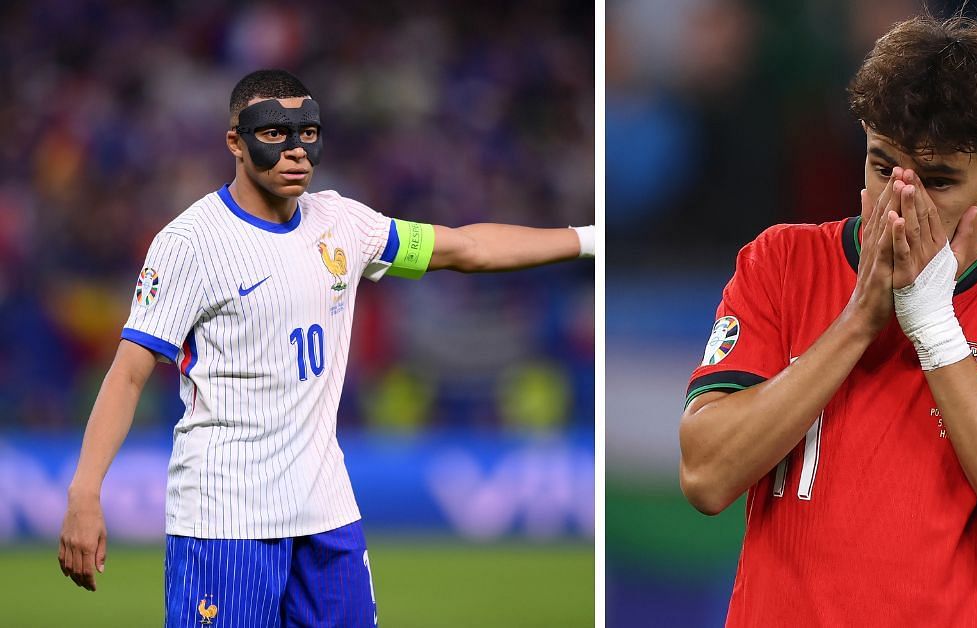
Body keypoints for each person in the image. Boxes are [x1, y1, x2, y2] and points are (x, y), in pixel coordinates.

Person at [57, 69, 594, 626]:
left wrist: (588, 240)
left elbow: (467, 248)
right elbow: (127, 374)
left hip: (326, 515)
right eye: (274, 134)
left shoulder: (341, 223)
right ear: (234, 143)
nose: (295, 152)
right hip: (225, 520)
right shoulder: (189, 244)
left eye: (308, 133)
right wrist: (84, 492)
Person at [678, 14, 977, 626]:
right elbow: (706, 476)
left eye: (938, 181)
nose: (902, 205)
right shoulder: (781, 261)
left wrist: (932, 323)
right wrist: (859, 320)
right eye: (883, 168)